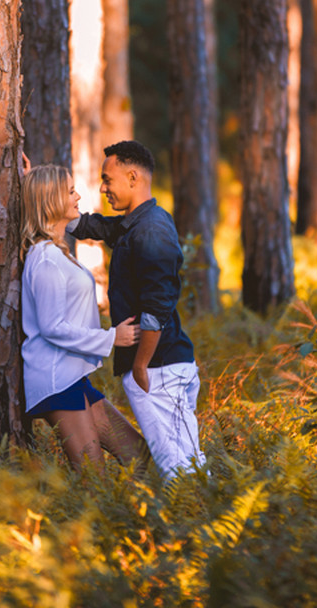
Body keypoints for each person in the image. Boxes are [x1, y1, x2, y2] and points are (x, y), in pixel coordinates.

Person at [67, 141, 207, 479]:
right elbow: (93, 227)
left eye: (107, 179)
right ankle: (200, 519)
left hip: (158, 369)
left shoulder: (151, 230)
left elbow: (157, 307)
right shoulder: (137, 222)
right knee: (186, 463)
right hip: (164, 365)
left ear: (132, 177)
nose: (102, 188)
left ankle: (193, 527)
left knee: (178, 470)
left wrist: (141, 365)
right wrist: (36, 189)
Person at [20, 164, 150, 472]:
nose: (78, 195)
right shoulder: (45, 259)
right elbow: (52, 328)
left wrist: (32, 174)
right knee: (94, 479)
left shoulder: (57, 251)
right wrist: (110, 338)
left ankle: (147, 516)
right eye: (69, 191)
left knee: (139, 457)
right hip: (56, 382)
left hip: (73, 378)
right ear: (51, 201)